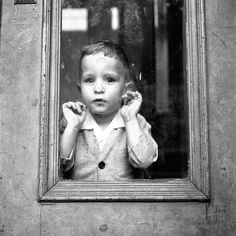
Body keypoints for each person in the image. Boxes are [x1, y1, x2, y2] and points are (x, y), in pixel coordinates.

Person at [60, 40, 158, 181]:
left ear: (125, 89)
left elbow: (145, 160)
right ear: (80, 88)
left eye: (110, 79)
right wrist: (72, 127)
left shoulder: (135, 121)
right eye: (89, 80)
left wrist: (130, 119)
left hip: (124, 202)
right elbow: (58, 165)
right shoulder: (71, 122)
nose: (98, 89)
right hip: (80, 202)